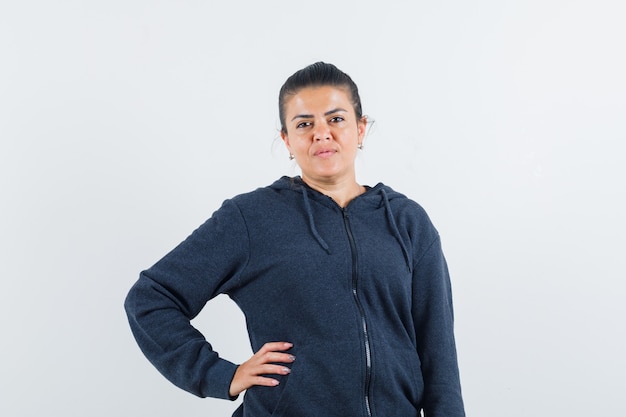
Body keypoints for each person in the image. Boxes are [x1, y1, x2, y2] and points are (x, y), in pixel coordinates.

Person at [124, 62, 465, 417]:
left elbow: (438, 352)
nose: (321, 133)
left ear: (361, 129)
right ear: (287, 139)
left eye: (336, 119)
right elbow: (150, 299)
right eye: (304, 124)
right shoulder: (252, 219)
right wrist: (221, 375)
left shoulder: (408, 222)